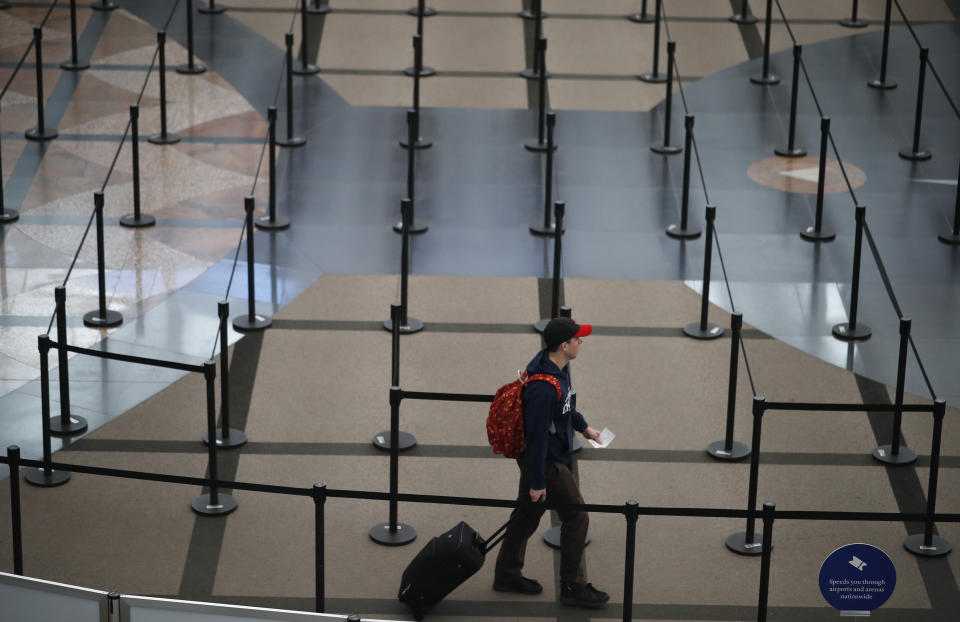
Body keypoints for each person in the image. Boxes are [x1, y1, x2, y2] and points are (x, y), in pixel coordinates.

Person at [492, 317, 610, 609]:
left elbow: (567, 407)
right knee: (576, 516)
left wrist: (585, 428)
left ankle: (507, 575)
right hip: (547, 463)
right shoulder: (543, 388)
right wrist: (537, 483)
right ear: (563, 345)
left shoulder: (557, 368)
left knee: (526, 517)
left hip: (543, 461)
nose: (580, 342)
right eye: (577, 339)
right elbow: (536, 439)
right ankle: (573, 586)